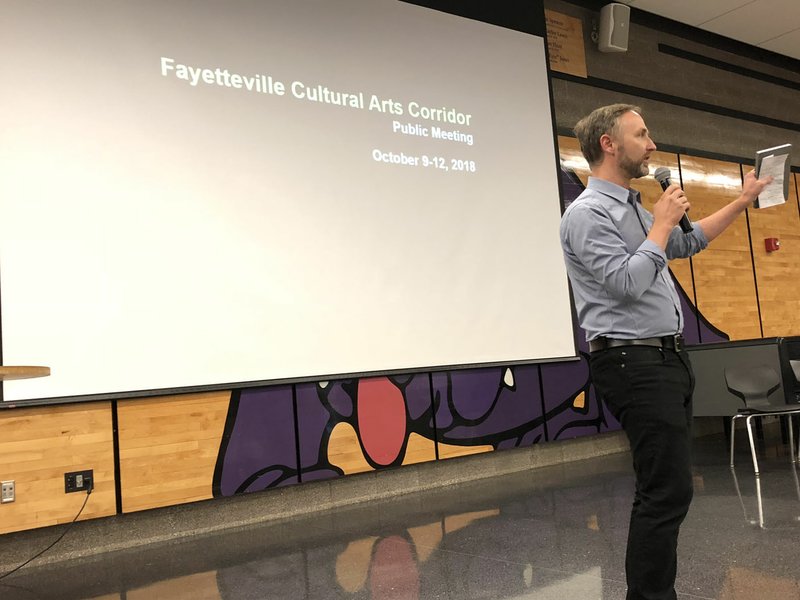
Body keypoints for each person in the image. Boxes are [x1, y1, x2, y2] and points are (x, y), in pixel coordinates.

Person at [559, 103, 772, 600]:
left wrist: (741, 200)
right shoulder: (587, 215)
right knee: (665, 489)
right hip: (632, 360)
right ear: (608, 144)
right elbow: (627, 283)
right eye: (642, 135)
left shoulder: (634, 206)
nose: (652, 145)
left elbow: (689, 241)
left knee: (669, 487)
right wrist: (659, 225)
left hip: (667, 358)